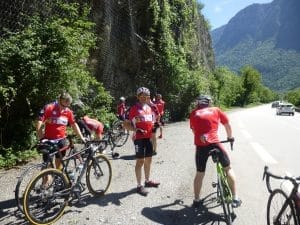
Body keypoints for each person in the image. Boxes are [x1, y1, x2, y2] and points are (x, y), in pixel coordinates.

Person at [189, 95, 242, 208]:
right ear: (209, 103)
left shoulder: (193, 113)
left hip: (201, 146)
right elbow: (227, 125)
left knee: (200, 173)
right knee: (228, 168)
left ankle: (197, 200)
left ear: (198, 103)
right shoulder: (216, 110)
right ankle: (235, 198)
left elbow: (194, 130)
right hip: (215, 143)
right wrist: (230, 137)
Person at [123, 87, 160, 196]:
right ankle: (139, 186)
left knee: (149, 160)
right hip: (138, 138)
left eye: (146, 96)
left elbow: (152, 122)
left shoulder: (149, 108)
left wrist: (155, 126)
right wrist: (135, 129)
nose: (144, 98)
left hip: (148, 138)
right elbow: (125, 124)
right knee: (140, 161)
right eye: (141, 96)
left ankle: (147, 181)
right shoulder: (133, 109)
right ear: (138, 97)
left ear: (148, 97)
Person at [36, 92, 86, 169]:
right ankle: (46, 180)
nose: (64, 108)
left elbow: (74, 124)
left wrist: (81, 137)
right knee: (47, 165)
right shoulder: (49, 107)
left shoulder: (68, 111)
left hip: (61, 140)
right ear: (59, 100)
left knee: (59, 163)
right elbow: (39, 122)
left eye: (67, 106)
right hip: (48, 140)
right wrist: (41, 138)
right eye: (63, 106)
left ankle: (58, 178)